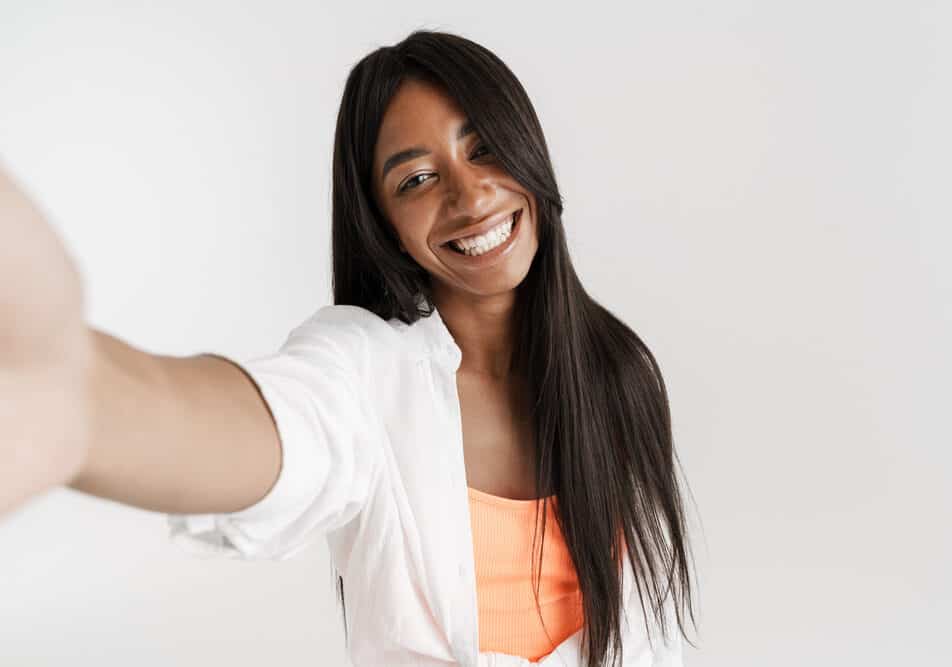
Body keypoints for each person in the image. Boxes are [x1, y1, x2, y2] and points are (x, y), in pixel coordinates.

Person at [1, 29, 696, 667]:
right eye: (416, 178)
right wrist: (83, 403)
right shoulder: (366, 373)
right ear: (386, 225)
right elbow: (277, 424)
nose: (470, 193)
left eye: (484, 146)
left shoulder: (620, 374)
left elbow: (649, 638)